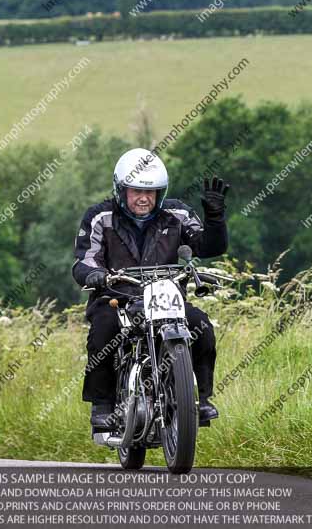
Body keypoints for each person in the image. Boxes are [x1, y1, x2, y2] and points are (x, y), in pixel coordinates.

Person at [72, 148, 230, 430]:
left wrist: (215, 219)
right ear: (121, 189)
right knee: (103, 329)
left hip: (166, 299)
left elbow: (209, 246)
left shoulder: (178, 213)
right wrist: (96, 274)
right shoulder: (99, 217)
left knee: (201, 325)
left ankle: (202, 399)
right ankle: (103, 404)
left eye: (152, 192)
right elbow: (84, 261)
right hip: (117, 297)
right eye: (135, 191)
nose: (144, 198)